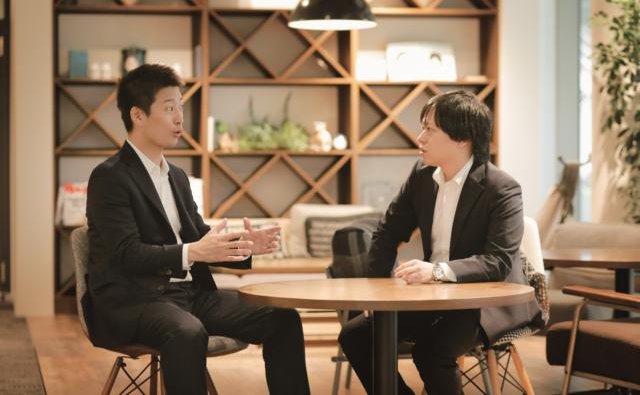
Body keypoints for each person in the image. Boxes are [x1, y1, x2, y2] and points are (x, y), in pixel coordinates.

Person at [84, 64, 310, 395]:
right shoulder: (110, 177)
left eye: (181, 107)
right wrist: (193, 252)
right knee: (187, 332)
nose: (180, 118)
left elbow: (199, 237)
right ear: (138, 115)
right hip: (133, 300)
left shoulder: (176, 176)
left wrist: (244, 245)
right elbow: (126, 254)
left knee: (282, 318)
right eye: (169, 108)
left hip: (190, 295)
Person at [338, 90, 541, 395]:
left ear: (462, 138)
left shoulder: (502, 189)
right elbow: (387, 232)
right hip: (433, 297)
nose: (420, 137)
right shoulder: (422, 177)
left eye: (430, 129)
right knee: (355, 335)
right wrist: (376, 293)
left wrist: (436, 271)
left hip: (484, 302)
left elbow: (497, 262)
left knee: (432, 352)